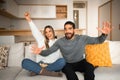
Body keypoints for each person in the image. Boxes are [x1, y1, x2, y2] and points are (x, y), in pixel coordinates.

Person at [31, 20, 111, 80]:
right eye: (65, 29)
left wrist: (104, 34)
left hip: (81, 62)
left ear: (74, 30)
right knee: (70, 75)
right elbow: (49, 51)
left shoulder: (82, 38)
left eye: (70, 29)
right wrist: (40, 52)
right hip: (68, 64)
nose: (67, 31)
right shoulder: (60, 41)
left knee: (90, 67)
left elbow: (98, 40)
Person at [22, 12, 66, 77]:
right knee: (24, 62)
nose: (48, 33)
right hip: (40, 64)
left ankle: (38, 71)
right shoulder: (41, 40)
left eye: (49, 31)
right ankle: (49, 73)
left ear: (53, 32)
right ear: (44, 34)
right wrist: (29, 20)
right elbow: (35, 31)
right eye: (46, 32)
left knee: (62, 61)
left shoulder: (58, 42)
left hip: (52, 65)